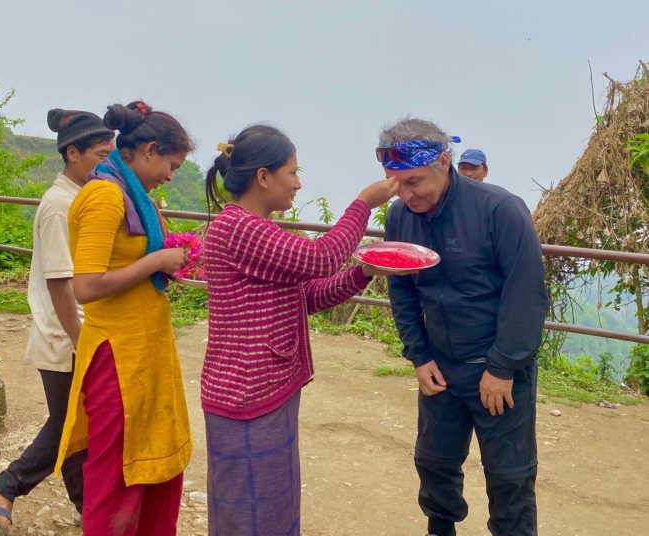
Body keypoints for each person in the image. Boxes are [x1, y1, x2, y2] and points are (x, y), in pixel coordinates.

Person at [201, 124, 401, 535]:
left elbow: (307, 296)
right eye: (291, 172)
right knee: (250, 516)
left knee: (272, 507)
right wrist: (363, 203)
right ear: (262, 176)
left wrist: (363, 272)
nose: (298, 183)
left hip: (264, 390)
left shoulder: (258, 229)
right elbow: (321, 258)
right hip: (247, 393)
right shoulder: (239, 227)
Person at [380, 117, 547, 536]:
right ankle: (441, 529)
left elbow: (525, 294)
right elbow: (402, 291)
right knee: (434, 463)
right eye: (396, 183)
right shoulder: (401, 215)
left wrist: (503, 366)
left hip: (498, 369)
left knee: (509, 476)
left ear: (443, 161)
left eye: (414, 181)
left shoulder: (499, 209)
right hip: (440, 367)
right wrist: (419, 357)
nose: (406, 193)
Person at [54, 101, 193, 535]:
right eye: (171, 165)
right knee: (117, 474)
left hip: (144, 351)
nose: (171, 176)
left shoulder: (134, 195)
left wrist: (167, 263)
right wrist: (155, 262)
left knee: (154, 461)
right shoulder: (105, 195)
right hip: (118, 358)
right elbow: (87, 286)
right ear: (149, 150)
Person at [0, 109, 114, 536]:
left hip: (72, 334)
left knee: (76, 424)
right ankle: (4, 487)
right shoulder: (59, 206)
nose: (107, 165)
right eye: (100, 155)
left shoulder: (82, 197)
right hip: (65, 336)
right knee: (69, 425)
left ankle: (87, 509)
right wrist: (81, 339)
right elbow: (59, 285)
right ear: (72, 153)